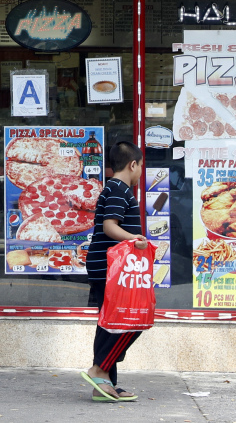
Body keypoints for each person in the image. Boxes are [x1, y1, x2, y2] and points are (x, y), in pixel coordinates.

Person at [80, 141, 147, 403]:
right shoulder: (119, 190)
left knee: (109, 323)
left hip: (108, 266)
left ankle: (104, 384)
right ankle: (98, 370)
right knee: (129, 321)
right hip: (111, 268)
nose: (140, 172)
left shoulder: (114, 189)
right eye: (141, 167)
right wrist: (134, 239)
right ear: (133, 164)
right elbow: (110, 226)